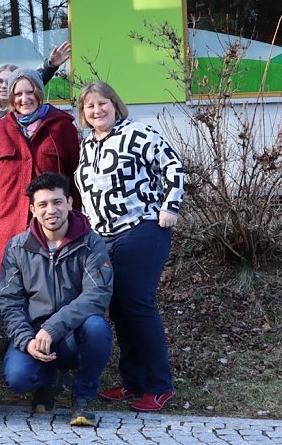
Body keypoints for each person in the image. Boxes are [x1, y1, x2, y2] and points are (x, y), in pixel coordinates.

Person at [74, 81, 184, 412]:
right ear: (84, 113)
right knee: (119, 307)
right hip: (104, 236)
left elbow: (173, 166)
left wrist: (170, 206)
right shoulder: (87, 145)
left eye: (103, 103)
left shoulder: (137, 133)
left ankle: (159, 386)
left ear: (115, 103)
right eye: (90, 106)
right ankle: (132, 381)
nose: (97, 110)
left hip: (143, 228)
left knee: (137, 303)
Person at [0, 173, 113, 427]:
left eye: (57, 202)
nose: (51, 210)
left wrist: (54, 327)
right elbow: (9, 302)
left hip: (75, 334)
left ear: (70, 202)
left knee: (97, 327)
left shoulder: (91, 243)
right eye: (42, 204)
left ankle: (83, 396)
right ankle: (48, 380)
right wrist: (26, 341)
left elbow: (96, 295)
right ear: (32, 209)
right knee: (17, 378)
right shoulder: (17, 248)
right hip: (35, 335)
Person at [0, 68, 80, 269]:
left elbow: (76, 178)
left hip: (54, 229)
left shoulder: (62, 127)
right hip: (8, 229)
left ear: (39, 92)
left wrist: (76, 221)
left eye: (30, 92)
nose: (24, 99)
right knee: (11, 292)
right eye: (18, 93)